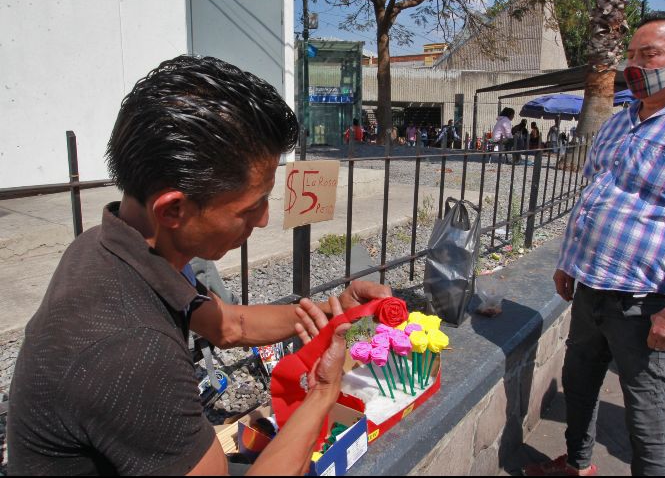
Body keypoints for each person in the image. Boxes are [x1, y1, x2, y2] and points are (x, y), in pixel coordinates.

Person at [7, 55, 391, 476]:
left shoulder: (112, 247)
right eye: (251, 206)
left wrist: (343, 314)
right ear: (173, 210)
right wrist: (321, 391)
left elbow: (231, 325)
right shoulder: (131, 351)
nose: (264, 219)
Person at [524, 11, 665, 476]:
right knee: (580, 381)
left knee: (644, 410)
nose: (633, 65)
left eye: (648, 55)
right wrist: (569, 262)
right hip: (589, 288)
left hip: (645, 303)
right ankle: (579, 464)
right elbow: (596, 195)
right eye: (630, 54)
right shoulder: (620, 120)